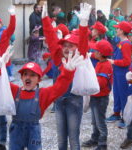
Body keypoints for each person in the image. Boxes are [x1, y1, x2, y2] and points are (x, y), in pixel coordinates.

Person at [42, 2, 92, 149]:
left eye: (71, 45)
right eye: (65, 45)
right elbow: (51, 38)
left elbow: (83, 42)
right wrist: (45, 19)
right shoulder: (58, 58)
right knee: (61, 140)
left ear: (77, 48)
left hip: (74, 102)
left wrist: (83, 23)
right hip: (59, 103)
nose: (67, 48)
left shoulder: (79, 58)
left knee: (74, 139)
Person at [81, 40, 113, 150]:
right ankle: (95, 138)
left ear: (100, 53)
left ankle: (102, 143)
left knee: (100, 121)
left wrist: (88, 80)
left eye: (96, 51)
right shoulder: (100, 63)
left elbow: (101, 83)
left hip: (101, 98)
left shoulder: (105, 65)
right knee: (95, 121)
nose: (94, 52)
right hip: (95, 97)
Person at [105, 21, 132, 129]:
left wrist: (114, 62)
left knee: (123, 95)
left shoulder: (126, 44)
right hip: (117, 72)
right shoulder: (121, 43)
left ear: (122, 31)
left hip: (123, 73)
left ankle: (124, 117)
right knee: (116, 93)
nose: (116, 30)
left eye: (118, 28)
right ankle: (116, 113)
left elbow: (127, 61)